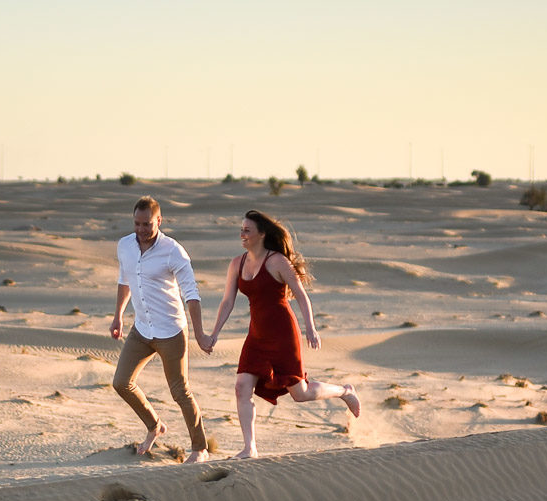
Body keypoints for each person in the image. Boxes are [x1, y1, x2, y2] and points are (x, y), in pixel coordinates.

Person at [200, 209, 361, 458]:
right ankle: (249, 447)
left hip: (283, 334)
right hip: (256, 335)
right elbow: (227, 302)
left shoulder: (277, 261)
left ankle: (345, 392)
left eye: (247, 230)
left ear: (262, 234)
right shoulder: (237, 263)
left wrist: (311, 327)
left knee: (301, 393)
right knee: (242, 387)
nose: (242, 234)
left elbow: (300, 294)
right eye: (241, 229)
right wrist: (214, 334)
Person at [111, 196, 209, 460]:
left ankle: (200, 449)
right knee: (121, 382)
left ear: (159, 221)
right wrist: (118, 316)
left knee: (180, 392)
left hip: (170, 331)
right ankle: (155, 426)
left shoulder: (173, 251)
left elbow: (191, 293)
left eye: (147, 224)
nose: (141, 229)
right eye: (137, 223)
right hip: (141, 329)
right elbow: (125, 280)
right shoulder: (125, 246)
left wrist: (199, 333)